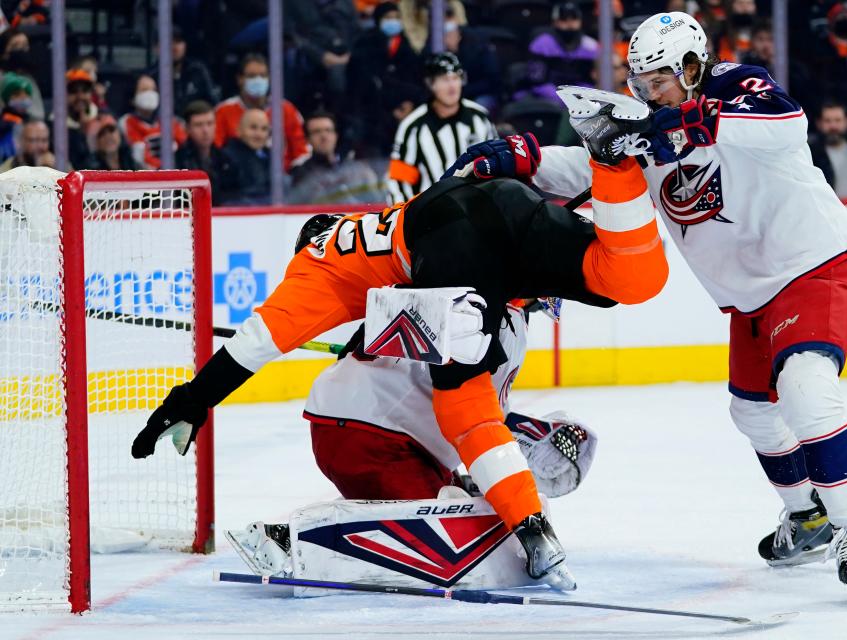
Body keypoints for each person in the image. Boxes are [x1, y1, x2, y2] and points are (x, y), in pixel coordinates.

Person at [446, 11, 847, 595]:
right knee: (752, 412)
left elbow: (784, 124)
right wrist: (524, 156)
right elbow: (597, 171)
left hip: (814, 266)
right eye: (640, 84)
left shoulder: (739, 87)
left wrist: (682, 124)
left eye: (659, 82)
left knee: (804, 384)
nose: (647, 95)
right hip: (751, 299)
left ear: (693, 67)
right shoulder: (653, 126)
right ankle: (808, 516)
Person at [130, 132, 670, 591]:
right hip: (369, 432)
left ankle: (421, 516)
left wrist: (192, 399)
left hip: (373, 429)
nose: (547, 304)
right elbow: (463, 403)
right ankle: (304, 541)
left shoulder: (417, 273)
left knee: (480, 505)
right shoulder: (442, 281)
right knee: (477, 536)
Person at [228, 291, 598, 587]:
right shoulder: (504, 323)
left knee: (464, 502)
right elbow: (478, 421)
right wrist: (528, 439)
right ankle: (288, 540)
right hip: (376, 436)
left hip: (355, 425)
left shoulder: (461, 283)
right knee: (448, 535)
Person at [386, 52, 496, 203]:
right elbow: (399, 180)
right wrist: (407, 219)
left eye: (455, 78)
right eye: (444, 79)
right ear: (431, 84)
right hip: (431, 216)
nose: (452, 86)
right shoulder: (413, 126)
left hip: (476, 210)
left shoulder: (480, 118)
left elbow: (497, 165)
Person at [346, 1, 423, 157]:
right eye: (388, 17)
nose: (393, 21)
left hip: (408, 108)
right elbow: (363, 83)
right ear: (378, 20)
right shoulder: (364, 45)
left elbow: (417, 78)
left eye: (396, 17)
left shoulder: (408, 46)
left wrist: (409, 104)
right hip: (374, 112)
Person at [214, 53, 310, 172]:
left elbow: (302, 151)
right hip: (237, 179)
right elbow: (215, 151)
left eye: (263, 75)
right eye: (252, 76)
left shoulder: (286, 109)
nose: (258, 80)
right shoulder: (224, 111)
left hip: (284, 180)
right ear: (240, 79)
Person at [524, 2, 598, 103]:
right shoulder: (542, 44)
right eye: (564, 19)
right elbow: (537, 82)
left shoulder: (590, 46)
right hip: (548, 97)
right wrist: (562, 98)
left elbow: (591, 81)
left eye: (574, 19)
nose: (569, 23)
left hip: (581, 98)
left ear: (580, 21)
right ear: (555, 22)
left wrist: (579, 98)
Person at [118, 74, 188, 169]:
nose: (150, 94)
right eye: (144, 90)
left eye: (153, 90)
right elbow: (138, 155)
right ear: (133, 96)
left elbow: (184, 145)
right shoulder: (126, 122)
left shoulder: (169, 120)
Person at [150, 26, 218, 116]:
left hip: (195, 126)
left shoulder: (198, 70)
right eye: (168, 42)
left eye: (178, 41)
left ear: (185, 45)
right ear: (156, 48)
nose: (174, 47)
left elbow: (213, 103)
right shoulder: (150, 76)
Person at [176, 100, 228, 204]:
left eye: (210, 123)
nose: (205, 130)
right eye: (198, 125)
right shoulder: (176, 163)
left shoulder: (226, 159)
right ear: (187, 128)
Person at [219, 108, 271, 205]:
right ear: (239, 130)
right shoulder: (227, 158)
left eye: (264, 129)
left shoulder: (271, 157)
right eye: (253, 127)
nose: (259, 134)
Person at [61, 68, 97, 169]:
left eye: (85, 91)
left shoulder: (103, 120)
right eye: (73, 91)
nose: (80, 96)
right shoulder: (55, 129)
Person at [0, 72, 33, 161]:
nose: (23, 99)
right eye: (17, 95)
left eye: (26, 94)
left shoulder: (32, 122)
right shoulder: (4, 123)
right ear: (7, 99)